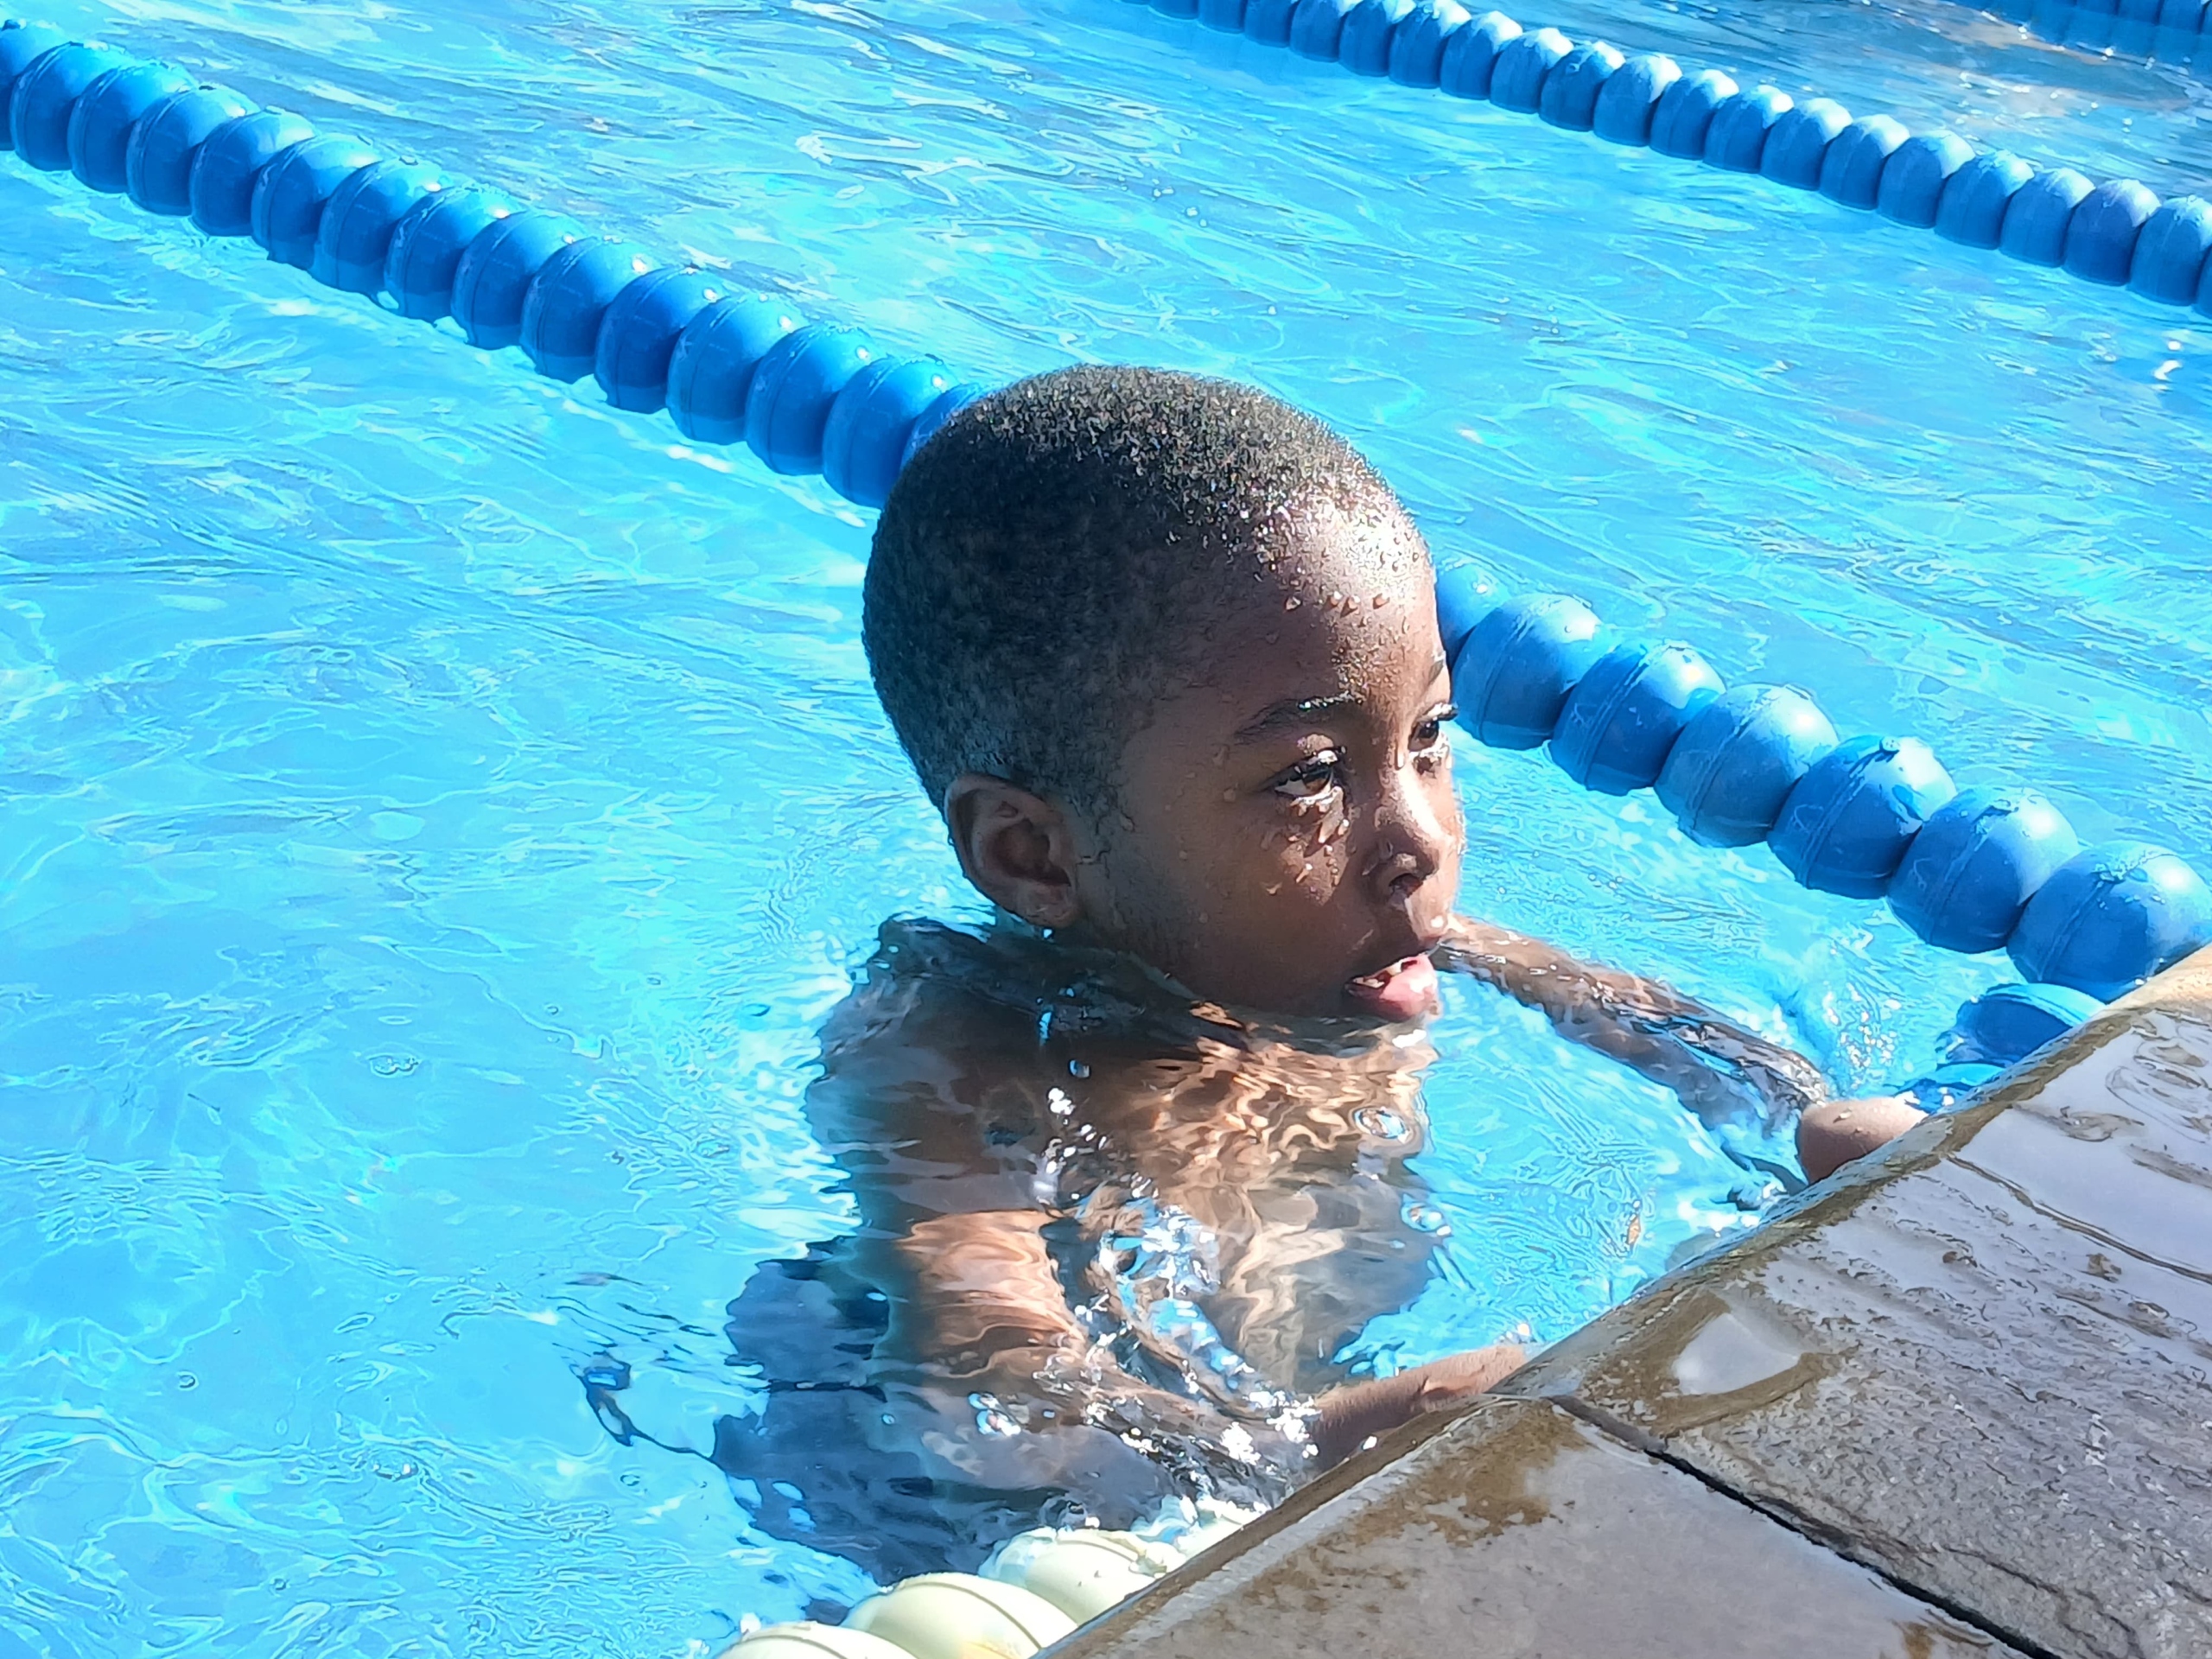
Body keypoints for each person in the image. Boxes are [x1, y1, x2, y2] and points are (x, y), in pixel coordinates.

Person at [707, 365, 1884, 1584]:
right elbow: (997, 1398)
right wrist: (1336, 1442)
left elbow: (1663, 1034)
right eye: (1310, 778)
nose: (1420, 840)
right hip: (946, 1522)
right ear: (1032, 855)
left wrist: (1814, 1121)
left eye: (1429, 738)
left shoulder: (1384, 938)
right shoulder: (949, 1053)